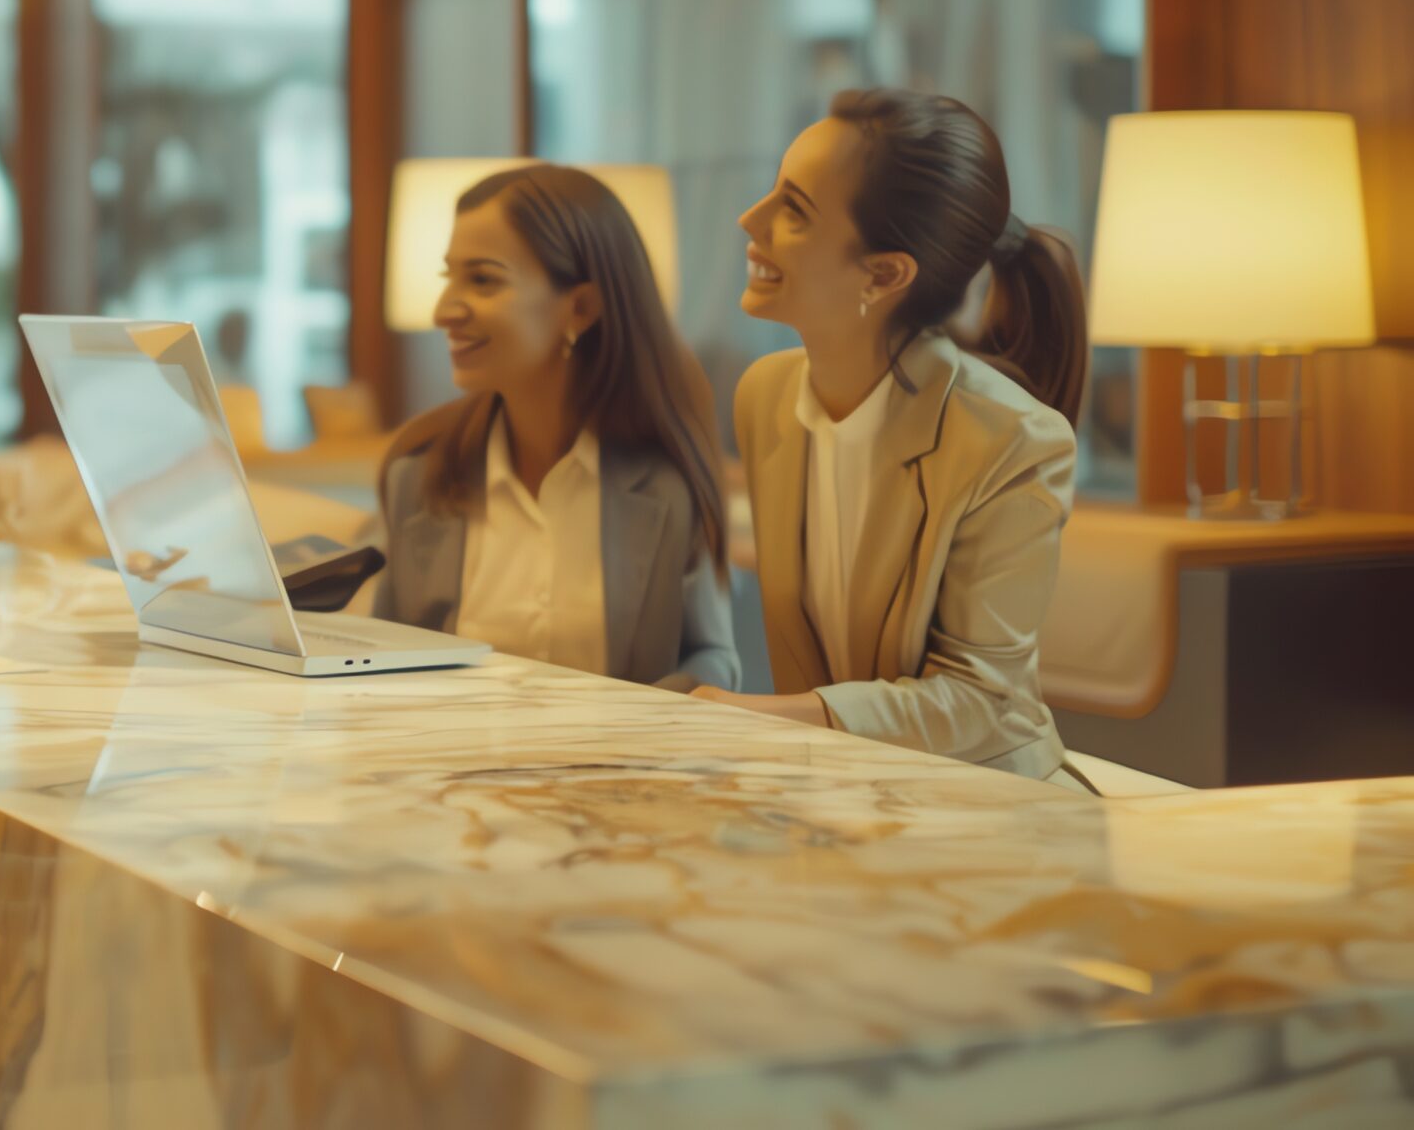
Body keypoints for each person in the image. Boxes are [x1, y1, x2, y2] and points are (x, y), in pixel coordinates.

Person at [707, 87, 1088, 786]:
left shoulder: (1014, 439)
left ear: (883, 273)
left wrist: (758, 719)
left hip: (989, 801)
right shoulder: (764, 396)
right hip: (842, 792)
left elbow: (979, 701)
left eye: (792, 208)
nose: (750, 218)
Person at [372, 164, 737, 691]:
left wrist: (651, 721)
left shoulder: (668, 483)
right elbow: (382, 657)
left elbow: (712, 656)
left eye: (482, 279)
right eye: (448, 276)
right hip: (450, 768)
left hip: (617, 770)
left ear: (582, 306)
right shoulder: (421, 473)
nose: (443, 310)